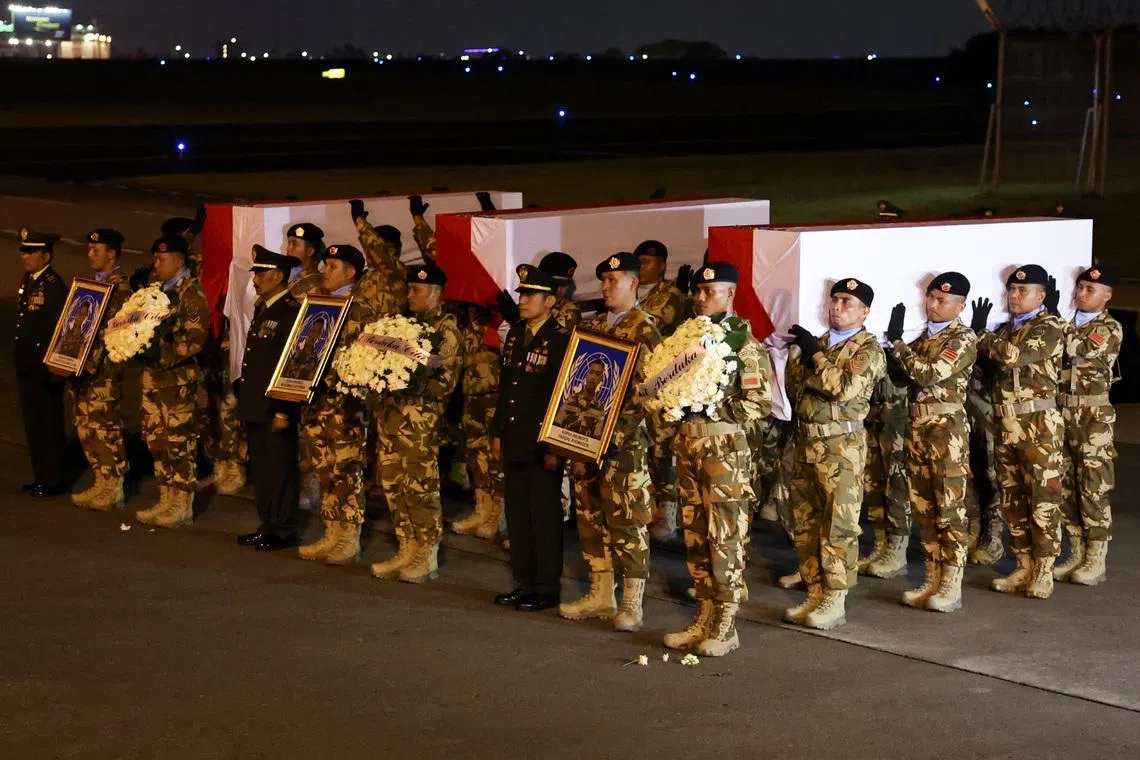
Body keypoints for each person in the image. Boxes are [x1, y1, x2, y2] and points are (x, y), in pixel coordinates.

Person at [661, 262, 770, 656]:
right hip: (690, 447)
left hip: (724, 453)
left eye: (710, 291)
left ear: (731, 295)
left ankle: (726, 624)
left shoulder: (743, 344)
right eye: (698, 291)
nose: (701, 297)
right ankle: (704, 616)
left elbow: (758, 403)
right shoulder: (690, 339)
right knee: (696, 535)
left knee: (725, 538)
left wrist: (708, 405)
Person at [561, 252, 662, 632]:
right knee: (589, 515)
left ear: (634, 283)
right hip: (586, 439)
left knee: (627, 520)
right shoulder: (594, 327)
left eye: (614, 280)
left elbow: (649, 392)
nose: (606, 287)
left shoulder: (645, 329)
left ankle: (632, 602)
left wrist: (615, 435)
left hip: (624, 446)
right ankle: (601, 593)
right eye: (603, 280)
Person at [783, 278, 886, 630]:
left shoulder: (868, 350)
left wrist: (814, 357)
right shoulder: (821, 343)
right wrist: (801, 356)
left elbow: (842, 388)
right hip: (807, 442)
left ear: (864, 312)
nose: (838, 307)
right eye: (835, 300)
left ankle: (835, 597)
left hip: (841, 447)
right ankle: (814, 589)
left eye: (847, 302)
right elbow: (795, 387)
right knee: (806, 522)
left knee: (838, 525)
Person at [883, 272, 977, 612]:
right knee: (924, 508)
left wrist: (898, 345)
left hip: (946, 432)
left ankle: (951, 580)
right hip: (918, 429)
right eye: (931, 297)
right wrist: (892, 352)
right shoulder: (922, 337)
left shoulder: (963, 338)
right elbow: (902, 378)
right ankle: (932, 575)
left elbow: (928, 373)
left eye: (942, 300)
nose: (933, 304)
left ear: (960, 305)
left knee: (949, 510)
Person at [973, 265, 1066, 598]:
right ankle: (1023, 564)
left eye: (1022, 291)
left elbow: (1015, 357)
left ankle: (1044, 570)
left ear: (1041, 296)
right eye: (1011, 290)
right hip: (1006, 424)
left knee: (1042, 499)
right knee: (1012, 498)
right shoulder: (1007, 329)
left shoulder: (1049, 326)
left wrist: (981, 335)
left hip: (1038, 425)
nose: (1014, 296)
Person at [369, 262, 463, 583]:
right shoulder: (401, 323)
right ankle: (406, 546)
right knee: (394, 484)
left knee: (420, 487)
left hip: (419, 421)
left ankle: (426, 552)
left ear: (435, 293)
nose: (409, 295)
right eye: (409, 289)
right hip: (391, 417)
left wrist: (408, 379)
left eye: (417, 290)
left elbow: (445, 382)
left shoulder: (445, 330)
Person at [491, 265, 571, 612]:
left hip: (541, 441)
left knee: (543, 516)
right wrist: (497, 430)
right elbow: (507, 385)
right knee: (517, 514)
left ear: (550, 301)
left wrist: (555, 444)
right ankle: (523, 582)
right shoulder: (516, 333)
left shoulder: (561, 338)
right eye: (522, 294)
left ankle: (546, 587)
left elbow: (563, 396)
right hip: (514, 435)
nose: (523, 300)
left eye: (531, 295)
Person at [296, 244, 375, 565]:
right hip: (318, 402)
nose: (324, 271)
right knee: (325, 468)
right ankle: (331, 531)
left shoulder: (362, 310)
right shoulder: (317, 303)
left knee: (346, 471)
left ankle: (348, 537)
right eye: (325, 265)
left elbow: (363, 362)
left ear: (351, 273)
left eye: (332, 266)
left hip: (345, 406)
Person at [134, 235, 209, 528]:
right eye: (155, 259)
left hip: (176, 382)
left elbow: (195, 340)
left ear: (178, 260)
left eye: (162, 259)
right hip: (154, 379)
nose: (156, 265)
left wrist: (160, 355)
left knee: (179, 444)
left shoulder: (190, 294)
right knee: (157, 441)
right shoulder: (155, 292)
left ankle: (181, 503)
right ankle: (166, 497)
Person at [1055, 266, 1122, 586]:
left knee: (1093, 488)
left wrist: (1054, 321)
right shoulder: (1069, 323)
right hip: (1063, 414)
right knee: (1066, 486)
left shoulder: (1108, 328)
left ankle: (1096, 557)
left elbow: (1078, 349)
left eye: (1089, 289)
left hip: (1093, 419)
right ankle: (1076, 551)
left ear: (1107, 295)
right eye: (1079, 287)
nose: (1081, 294)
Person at [234, 246, 304, 550]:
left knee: (279, 469)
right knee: (262, 469)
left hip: (275, 406)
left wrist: (284, 410)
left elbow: (291, 365)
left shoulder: (290, 311)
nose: (255, 280)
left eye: (261, 274)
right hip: (256, 403)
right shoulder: (265, 308)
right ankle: (267, 523)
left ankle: (283, 529)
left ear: (277, 276)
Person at [70, 228, 131, 510]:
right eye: (89, 249)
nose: (90, 254)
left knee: (105, 427)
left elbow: (121, 333)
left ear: (112, 254)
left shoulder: (122, 289)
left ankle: (113, 484)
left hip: (103, 371)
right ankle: (100, 479)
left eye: (97, 250)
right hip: (82, 368)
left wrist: (94, 360)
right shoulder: (89, 286)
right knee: (86, 426)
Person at [14, 227, 67, 497]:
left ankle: (52, 478)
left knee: (47, 423)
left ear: (46, 256)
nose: (25, 256)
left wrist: (54, 366)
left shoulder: (53, 286)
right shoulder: (30, 280)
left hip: (44, 368)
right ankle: (41, 476)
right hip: (28, 365)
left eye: (31, 252)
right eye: (23, 251)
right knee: (33, 423)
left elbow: (58, 329)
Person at [857, 368, 911, 578]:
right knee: (873, 481)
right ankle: (880, 545)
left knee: (897, 481)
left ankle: (897, 551)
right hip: (875, 409)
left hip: (899, 413)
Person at [553, 360, 608, 438]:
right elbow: (556, 427)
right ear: (586, 374)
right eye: (591, 372)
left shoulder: (599, 409)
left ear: (601, 379)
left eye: (597, 374)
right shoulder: (571, 400)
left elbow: (596, 438)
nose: (593, 377)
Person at [539, 251, 582, 331]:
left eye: (564, 284)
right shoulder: (527, 303)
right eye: (554, 283)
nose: (558, 289)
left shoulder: (569, 311)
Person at [285, 223, 326, 298]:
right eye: (288, 243)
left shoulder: (315, 283)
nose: (288, 248)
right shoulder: (294, 276)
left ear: (310, 251)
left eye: (294, 244)